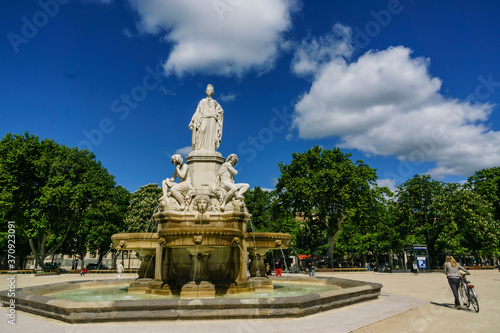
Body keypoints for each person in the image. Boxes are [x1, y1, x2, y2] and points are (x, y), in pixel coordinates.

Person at [189, 84, 224, 151]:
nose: (208, 91)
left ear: (212, 92)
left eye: (210, 90)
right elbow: (197, 111)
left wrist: (216, 113)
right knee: (202, 130)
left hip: (212, 118)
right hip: (204, 117)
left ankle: (211, 148)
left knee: (211, 133)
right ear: (206, 91)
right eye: (207, 90)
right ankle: (199, 147)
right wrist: (192, 120)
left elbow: (221, 111)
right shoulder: (202, 101)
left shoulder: (214, 102)